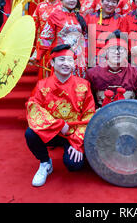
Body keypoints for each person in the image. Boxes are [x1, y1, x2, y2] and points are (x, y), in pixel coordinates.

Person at [25, 44, 96, 187]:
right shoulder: (42, 85)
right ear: (52, 63)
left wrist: (78, 143)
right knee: (30, 134)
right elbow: (33, 109)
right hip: (52, 132)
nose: (66, 64)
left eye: (70, 60)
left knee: (74, 166)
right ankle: (45, 163)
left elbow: (89, 114)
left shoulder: (83, 85)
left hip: (73, 133)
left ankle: (70, 148)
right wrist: (59, 125)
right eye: (61, 60)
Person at [30, 0, 88, 79]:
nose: (72, 0)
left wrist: (87, 59)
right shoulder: (55, 16)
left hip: (79, 61)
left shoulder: (80, 17)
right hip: (62, 60)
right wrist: (36, 56)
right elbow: (45, 38)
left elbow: (85, 40)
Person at [86, 30, 137, 108]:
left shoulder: (136, 73)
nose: (117, 52)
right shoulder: (92, 74)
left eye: (121, 49)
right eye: (113, 48)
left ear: (126, 53)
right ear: (106, 52)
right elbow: (88, 103)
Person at [85, 0, 124, 66]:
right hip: (89, 62)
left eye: (114, 2)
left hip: (110, 64)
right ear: (102, 1)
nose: (110, 4)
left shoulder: (121, 20)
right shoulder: (90, 17)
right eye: (108, 0)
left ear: (117, 4)